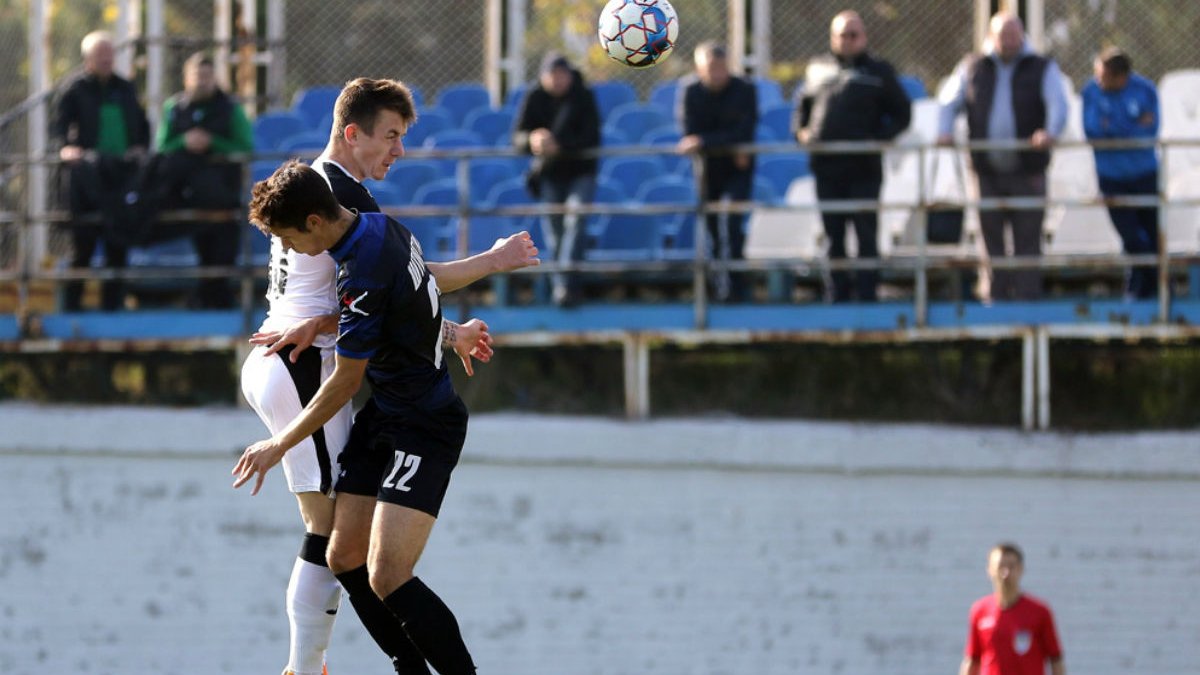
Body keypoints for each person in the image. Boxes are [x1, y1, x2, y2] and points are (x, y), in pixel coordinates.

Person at [239, 77, 538, 675]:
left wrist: (448, 329)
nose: (399, 151)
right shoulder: (343, 208)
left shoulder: (316, 190)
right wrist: (487, 270)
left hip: (302, 365)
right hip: (307, 366)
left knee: (353, 556)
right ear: (353, 134)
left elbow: (394, 290)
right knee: (332, 540)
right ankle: (306, 667)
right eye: (392, 137)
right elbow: (382, 300)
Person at [236, 160, 481, 674]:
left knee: (388, 575)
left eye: (289, 240)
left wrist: (278, 444)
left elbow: (345, 381)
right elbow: (407, 310)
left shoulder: (363, 271)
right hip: (383, 414)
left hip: (423, 423)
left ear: (314, 222)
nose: (291, 251)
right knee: (343, 556)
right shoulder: (379, 228)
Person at [938, 12, 1067, 302]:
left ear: (1022, 35)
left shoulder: (1042, 67)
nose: (1008, 41)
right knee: (990, 237)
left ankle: (1027, 302)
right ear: (991, 37)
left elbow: (1057, 105)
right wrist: (944, 131)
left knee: (1028, 238)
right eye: (1002, 35)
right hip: (986, 170)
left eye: (1013, 34)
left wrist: (1049, 132)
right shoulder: (972, 66)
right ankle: (994, 300)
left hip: (1028, 169)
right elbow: (949, 102)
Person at [793, 9, 911, 303]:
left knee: (865, 232)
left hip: (863, 167)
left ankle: (868, 295)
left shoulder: (879, 71)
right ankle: (837, 295)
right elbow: (801, 110)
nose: (847, 40)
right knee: (833, 234)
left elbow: (902, 114)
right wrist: (802, 132)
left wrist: (877, 139)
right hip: (827, 167)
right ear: (832, 37)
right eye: (842, 35)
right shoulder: (818, 68)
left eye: (853, 35)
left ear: (864, 37)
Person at [52, 30, 150, 311]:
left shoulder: (125, 88)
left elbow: (141, 124)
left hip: (121, 176)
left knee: (117, 243)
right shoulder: (74, 89)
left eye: (109, 54)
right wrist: (65, 148)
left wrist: (140, 148)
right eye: (100, 55)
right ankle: (72, 307)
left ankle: (113, 307)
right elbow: (58, 127)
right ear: (88, 59)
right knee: (82, 244)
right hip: (87, 177)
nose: (107, 60)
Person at [154, 51, 254, 308]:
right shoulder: (174, 108)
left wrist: (213, 143)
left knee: (222, 248)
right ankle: (204, 297)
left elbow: (246, 148)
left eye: (207, 76)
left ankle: (218, 299)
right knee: (202, 245)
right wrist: (184, 142)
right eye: (197, 76)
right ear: (186, 79)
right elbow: (162, 147)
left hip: (223, 194)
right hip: (186, 195)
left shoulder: (231, 108)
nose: (202, 81)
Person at [513, 51, 601, 307]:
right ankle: (565, 287)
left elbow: (592, 137)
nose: (558, 80)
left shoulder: (583, 96)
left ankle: (564, 286)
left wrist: (559, 144)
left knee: (575, 221)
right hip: (550, 174)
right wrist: (532, 140)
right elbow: (518, 136)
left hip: (580, 172)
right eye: (553, 75)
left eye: (562, 74)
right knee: (554, 231)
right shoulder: (535, 96)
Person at [676, 41, 758, 303]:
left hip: (738, 169)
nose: (717, 73)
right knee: (712, 229)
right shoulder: (690, 91)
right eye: (711, 67)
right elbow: (689, 132)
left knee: (730, 224)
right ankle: (719, 287)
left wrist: (705, 141)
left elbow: (744, 131)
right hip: (707, 170)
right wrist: (724, 143)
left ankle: (734, 289)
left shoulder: (745, 89)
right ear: (699, 69)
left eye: (721, 67)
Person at [1081, 47, 1160, 300]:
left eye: (1103, 76)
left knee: (1151, 233)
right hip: (1112, 178)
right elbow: (1092, 131)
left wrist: (1112, 128)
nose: (1098, 81)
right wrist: (1130, 126)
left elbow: (1149, 131)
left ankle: (1140, 291)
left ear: (1120, 77)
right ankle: (1157, 281)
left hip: (1145, 174)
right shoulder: (1091, 91)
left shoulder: (1145, 90)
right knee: (1131, 236)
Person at [960, 542, 1065, 675]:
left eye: (1011, 566)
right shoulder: (980, 610)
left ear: (1021, 569)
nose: (1005, 573)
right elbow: (972, 659)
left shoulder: (1040, 611)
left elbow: (1056, 659)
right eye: (1000, 567)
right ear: (990, 570)